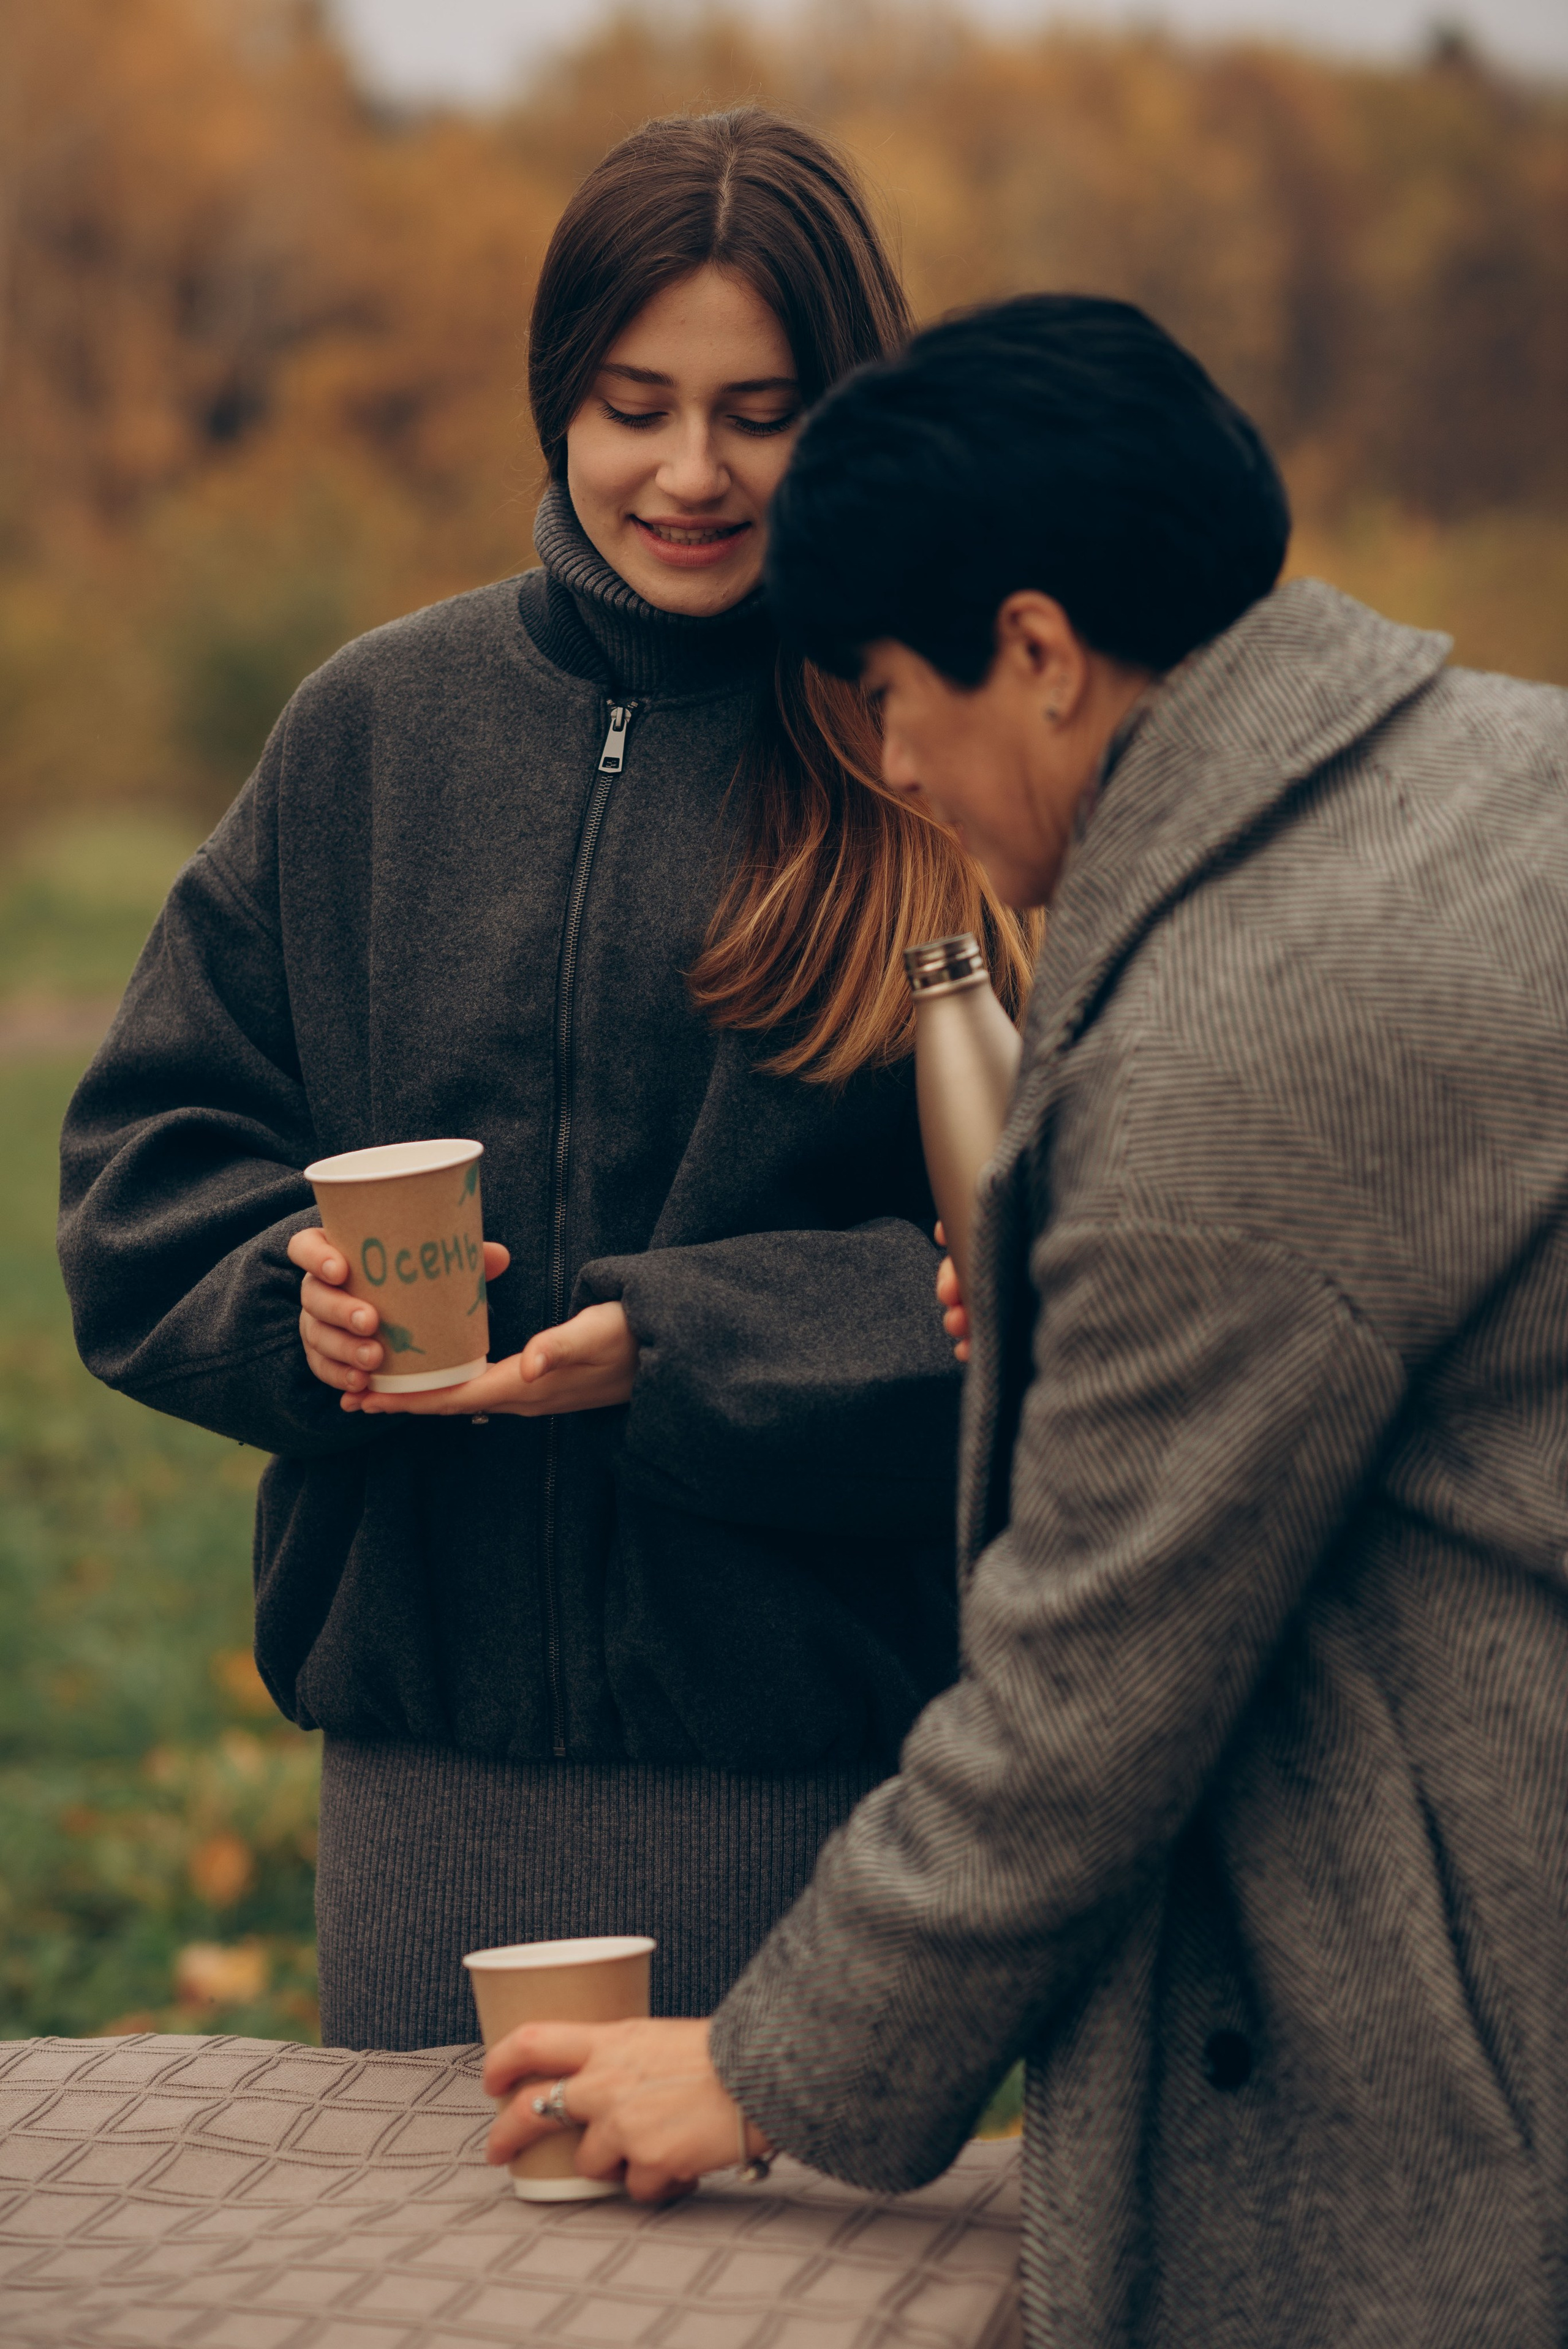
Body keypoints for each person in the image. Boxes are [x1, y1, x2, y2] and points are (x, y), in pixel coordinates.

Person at [480, 295, 1568, 2349]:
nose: (890, 761)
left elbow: (1091, 1682)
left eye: (895, 691)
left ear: (1046, 655)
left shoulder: (1245, 1025)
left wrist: (762, 2065)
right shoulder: (1506, 769)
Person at [58, 111, 1038, 2048]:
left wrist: (682, 1347)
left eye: (759, 412)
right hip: (427, 1782)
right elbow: (140, 1172)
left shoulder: (938, 751)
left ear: (847, 414)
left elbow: (1061, 1286)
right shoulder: (373, 734)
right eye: (633, 404)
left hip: (811, 1781)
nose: (690, 472)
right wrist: (292, 1299)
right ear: (554, 406)